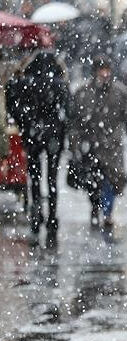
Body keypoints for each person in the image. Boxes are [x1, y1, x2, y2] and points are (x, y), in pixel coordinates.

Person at [6, 51, 70, 246]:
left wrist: (25, 122)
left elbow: (11, 101)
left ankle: (36, 213)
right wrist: (60, 129)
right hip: (52, 136)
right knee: (51, 179)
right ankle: (52, 217)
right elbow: (68, 110)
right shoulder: (59, 84)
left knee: (35, 177)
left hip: (33, 134)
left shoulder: (24, 82)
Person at [71, 55, 127, 232]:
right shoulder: (83, 92)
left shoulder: (119, 92)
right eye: (102, 70)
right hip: (91, 144)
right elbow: (76, 121)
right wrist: (75, 144)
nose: (105, 74)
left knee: (112, 180)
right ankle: (95, 208)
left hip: (111, 145)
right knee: (93, 181)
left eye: (107, 70)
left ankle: (107, 213)